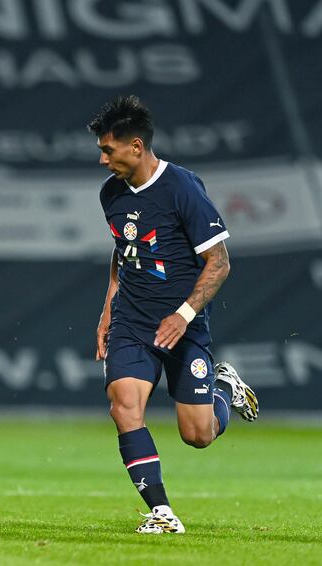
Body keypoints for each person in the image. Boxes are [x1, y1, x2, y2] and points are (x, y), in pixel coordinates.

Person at [88, 95, 259, 534]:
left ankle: (223, 386)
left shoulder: (182, 187)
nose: (103, 159)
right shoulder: (111, 194)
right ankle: (161, 512)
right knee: (124, 406)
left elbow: (219, 261)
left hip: (183, 325)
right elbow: (122, 251)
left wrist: (183, 315)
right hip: (132, 321)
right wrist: (108, 307)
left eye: (109, 150)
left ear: (137, 146)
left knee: (197, 434)